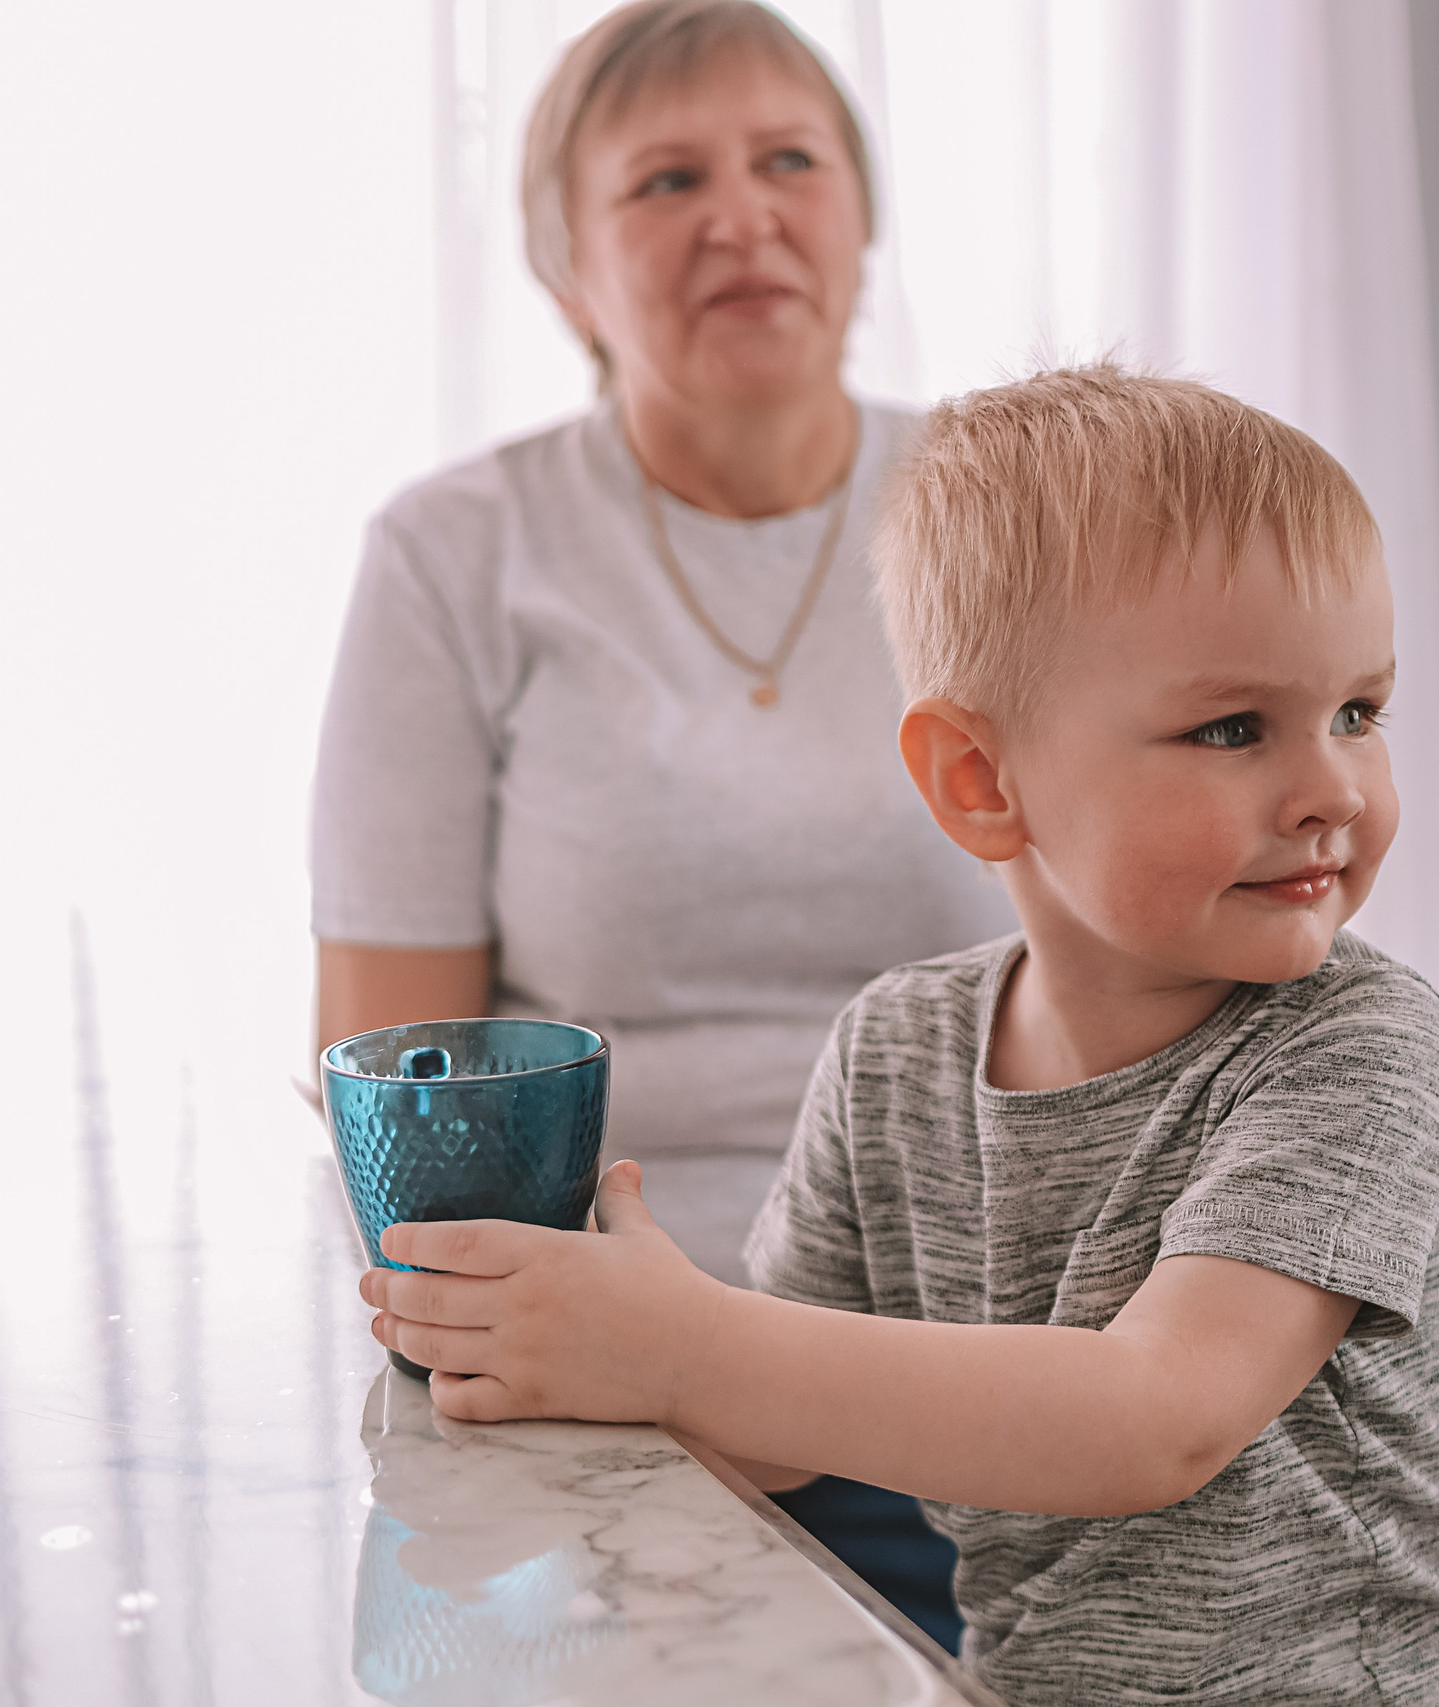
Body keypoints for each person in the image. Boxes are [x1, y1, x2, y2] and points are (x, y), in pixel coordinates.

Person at [355, 365, 1439, 1704]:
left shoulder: (1359, 1048)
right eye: (1234, 728)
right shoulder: (898, 1050)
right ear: (982, 782)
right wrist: (583, 1341)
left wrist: (682, 1345)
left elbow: (1158, 1420)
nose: (1333, 788)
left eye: (1358, 713)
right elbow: (783, 1445)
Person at [307, 0, 1011, 1649]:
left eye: (789, 160)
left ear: (859, 215)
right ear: (567, 277)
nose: (742, 215)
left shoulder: (1008, 516)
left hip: (990, 1346)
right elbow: (394, 1080)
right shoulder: (454, 555)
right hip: (616, 1377)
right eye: (665, 180)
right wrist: (625, 1362)